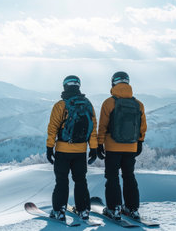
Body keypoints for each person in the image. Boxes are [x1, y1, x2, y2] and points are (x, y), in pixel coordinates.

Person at [46, 75, 98, 221]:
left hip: (63, 150)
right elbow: (93, 129)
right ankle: (83, 211)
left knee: (62, 181)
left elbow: (53, 128)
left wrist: (50, 148)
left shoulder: (60, 105)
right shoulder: (88, 104)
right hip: (81, 151)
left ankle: (59, 210)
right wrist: (93, 148)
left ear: (65, 87)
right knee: (81, 181)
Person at [97, 71, 147, 220]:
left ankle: (114, 208)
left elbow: (103, 126)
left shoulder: (109, 103)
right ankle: (132, 209)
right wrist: (140, 142)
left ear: (113, 83)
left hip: (113, 147)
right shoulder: (138, 104)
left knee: (112, 178)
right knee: (129, 177)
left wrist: (99, 144)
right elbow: (142, 127)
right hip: (131, 147)